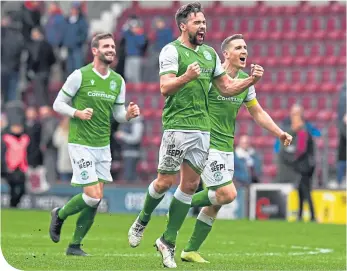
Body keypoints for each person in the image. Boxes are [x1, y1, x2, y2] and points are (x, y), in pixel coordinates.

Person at [128, 3, 264, 268]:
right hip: (177, 126)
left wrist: (250, 82)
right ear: (183, 25)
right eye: (197, 23)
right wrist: (187, 76)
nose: (202, 27)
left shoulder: (210, 55)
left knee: (189, 187)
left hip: (202, 130)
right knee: (164, 182)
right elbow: (165, 87)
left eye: (204, 22)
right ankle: (142, 219)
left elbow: (225, 88)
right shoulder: (171, 51)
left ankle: (167, 243)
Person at [180, 34, 292, 263]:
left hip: (226, 147)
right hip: (205, 143)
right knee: (227, 193)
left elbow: (257, 112)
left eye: (246, 48)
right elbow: (203, 96)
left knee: (216, 202)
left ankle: (190, 249)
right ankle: (179, 203)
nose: (245, 51)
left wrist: (279, 132)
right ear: (226, 54)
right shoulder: (211, 76)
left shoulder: (244, 81)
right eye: (239, 47)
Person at [49, 33, 140, 256]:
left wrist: (127, 115)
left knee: (94, 201)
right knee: (92, 195)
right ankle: (59, 214)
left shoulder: (118, 81)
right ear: (95, 50)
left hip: (103, 145)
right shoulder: (79, 76)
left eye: (113, 46)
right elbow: (57, 103)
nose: (111, 49)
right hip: (81, 143)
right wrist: (77, 112)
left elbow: (117, 114)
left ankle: (74, 246)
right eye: (106, 46)